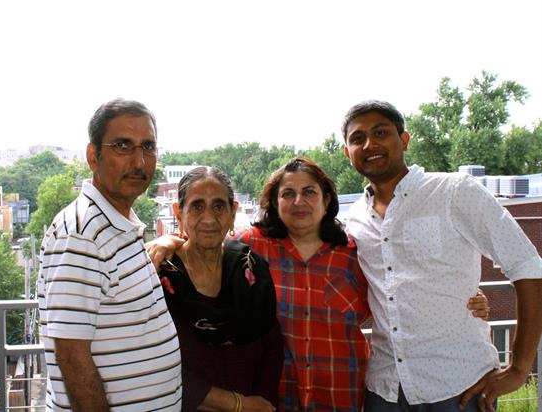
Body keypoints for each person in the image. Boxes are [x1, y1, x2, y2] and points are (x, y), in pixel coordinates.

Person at [148, 158, 489, 412]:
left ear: (327, 200)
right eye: (288, 193)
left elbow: (402, 287)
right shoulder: (251, 250)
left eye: (309, 192)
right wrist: (167, 243)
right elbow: (206, 240)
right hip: (280, 395)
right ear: (275, 203)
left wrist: (465, 298)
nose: (299, 202)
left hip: (343, 395)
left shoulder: (356, 253)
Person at [342, 99, 542, 412]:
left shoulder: (454, 191)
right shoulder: (353, 219)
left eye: (380, 132)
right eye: (358, 138)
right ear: (347, 152)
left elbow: (526, 264)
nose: (370, 144)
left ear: (404, 139)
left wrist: (519, 368)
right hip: (384, 389)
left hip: (459, 386)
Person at [37, 99, 182, 411]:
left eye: (148, 147)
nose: (139, 162)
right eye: (123, 146)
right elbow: (72, 357)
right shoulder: (81, 235)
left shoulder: (116, 225)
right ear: (93, 156)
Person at [159, 166, 282, 412]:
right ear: (178, 213)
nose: (208, 218)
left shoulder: (252, 271)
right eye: (197, 206)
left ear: (233, 212)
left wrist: (261, 405)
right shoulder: (160, 280)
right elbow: (158, 367)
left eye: (218, 206)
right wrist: (239, 405)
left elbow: (272, 347)